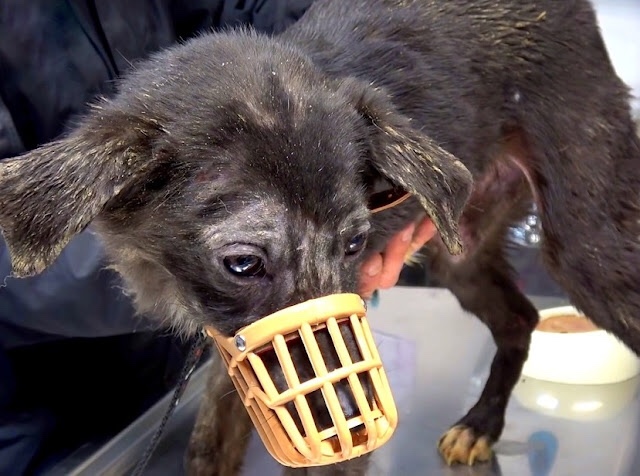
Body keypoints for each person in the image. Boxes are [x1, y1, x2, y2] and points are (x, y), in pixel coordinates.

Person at [0, 1, 435, 473]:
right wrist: (190, 275)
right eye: (245, 264)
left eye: (350, 246)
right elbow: (15, 244)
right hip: (38, 426)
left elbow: (256, 14)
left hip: (175, 376)